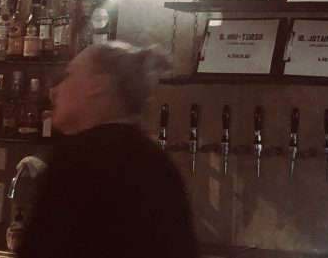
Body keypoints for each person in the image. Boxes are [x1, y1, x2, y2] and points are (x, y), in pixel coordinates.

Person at [18, 42, 198, 258]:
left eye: (68, 76)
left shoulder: (78, 159)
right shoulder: (159, 162)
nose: (53, 92)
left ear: (98, 85)